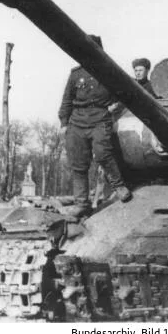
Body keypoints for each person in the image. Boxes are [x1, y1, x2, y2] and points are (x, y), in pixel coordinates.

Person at [58, 35, 131, 215]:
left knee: (102, 153)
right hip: (77, 121)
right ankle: (81, 203)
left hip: (100, 118)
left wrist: (116, 107)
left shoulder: (109, 73)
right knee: (78, 163)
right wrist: (64, 123)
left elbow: (125, 94)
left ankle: (119, 186)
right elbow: (67, 100)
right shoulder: (76, 74)